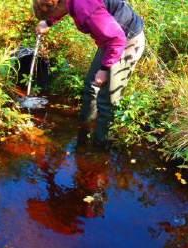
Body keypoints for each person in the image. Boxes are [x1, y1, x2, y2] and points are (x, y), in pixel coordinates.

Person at [33, 0, 145, 148]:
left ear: (55, 5)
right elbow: (63, 8)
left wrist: (105, 69)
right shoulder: (67, 2)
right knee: (91, 86)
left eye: (51, 13)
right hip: (111, 39)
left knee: (107, 100)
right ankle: (85, 128)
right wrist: (48, 22)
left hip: (126, 42)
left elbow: (118, 39)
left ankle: (100, 147)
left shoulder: (85, 8)